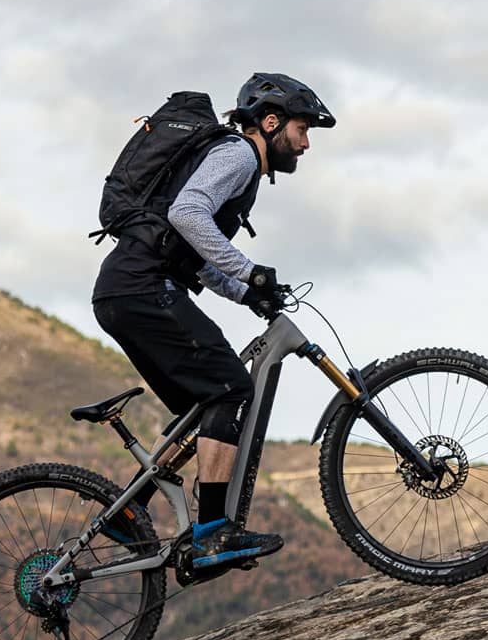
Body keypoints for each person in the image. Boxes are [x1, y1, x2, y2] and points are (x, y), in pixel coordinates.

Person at [91, 72, 335, 573]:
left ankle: (128, 511)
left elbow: (196, 255)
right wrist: (249, 270)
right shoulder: (239, 154)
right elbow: (188, 214)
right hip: (142, 287)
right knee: (230, 389)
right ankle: (212, 534)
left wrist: (248, 293)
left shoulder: (237, 163)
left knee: (206, 410)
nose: (306, 144)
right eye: (302, 129)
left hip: (126, 289)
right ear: (271, 122)